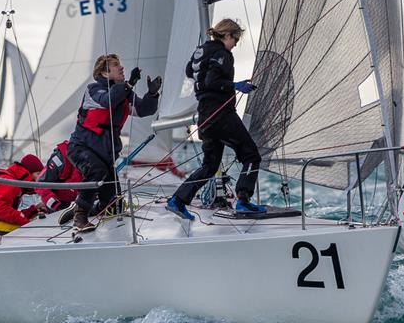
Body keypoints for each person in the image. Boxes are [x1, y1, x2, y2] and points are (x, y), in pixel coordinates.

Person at [166, 18, 264, 221]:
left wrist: (224, 82)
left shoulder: (201, 51)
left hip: (205, 117)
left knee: (210, 165)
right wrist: (236, 86)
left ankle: (178, 200)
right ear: (227, 35)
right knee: (251, 156)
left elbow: (189, 71)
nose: (236, 44)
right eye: (235, 39)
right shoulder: (222, 53)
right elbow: (212, 81)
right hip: (221, 115)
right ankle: (243, 201)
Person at [67, 53, 162, 231]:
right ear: (104, 73)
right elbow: (108, 100)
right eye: (116, 65)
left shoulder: (125, 93)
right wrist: (128, 84)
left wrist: (152, 93)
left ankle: (82, 207)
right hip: (81, 148)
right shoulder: (94, 90)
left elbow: (143, 110)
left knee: (114, 206)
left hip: (105, 155)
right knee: (96, 171)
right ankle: (80, 216)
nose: (122, 68)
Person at [35, 140, 84, 213]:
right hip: (57, 205)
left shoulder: (97, 159)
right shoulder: (60, 159)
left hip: (79, 203)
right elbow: (40, 185)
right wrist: (56, 205)